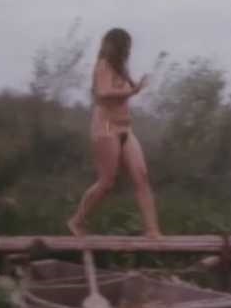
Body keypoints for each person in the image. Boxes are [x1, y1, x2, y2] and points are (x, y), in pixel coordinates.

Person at [67, 28, 162, 238]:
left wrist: (137, 86)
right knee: (107, 181)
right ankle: (77, 220)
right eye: (126, 46)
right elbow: (103, 93)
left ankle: (152, 230)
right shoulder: (103, 65)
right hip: (107, 126)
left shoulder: (122, 69)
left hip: (124, 127)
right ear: (117, 46)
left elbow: (124, 92)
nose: (128, 51)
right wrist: (132, 91)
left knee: (141, 175)